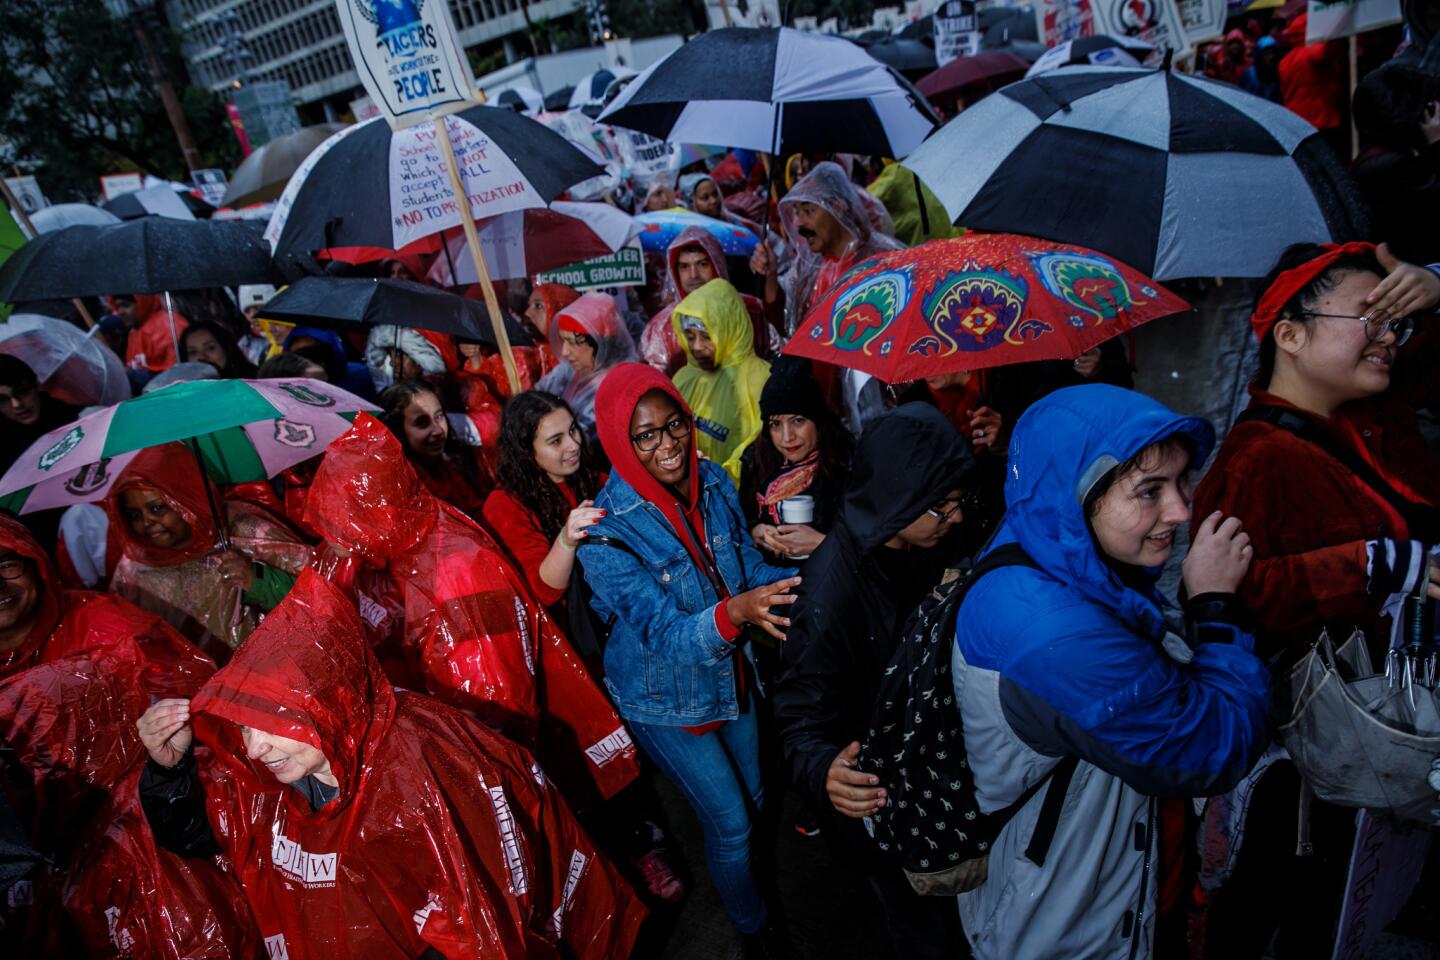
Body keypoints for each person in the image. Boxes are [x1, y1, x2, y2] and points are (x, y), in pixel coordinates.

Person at [135, 567, 647, 960]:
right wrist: (168, 771)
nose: (254, 748)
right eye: (245, 727)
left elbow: (481, 919)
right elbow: (201, 839)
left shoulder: (418, 764)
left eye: (273, 724)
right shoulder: (271, 778)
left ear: (326, 701)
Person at [951, 384, 1270, 960]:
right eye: (1149, 491)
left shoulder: (1040, 542)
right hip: (1071, 928)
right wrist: (1216, 607)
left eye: (1180, 482)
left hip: (1066, 886)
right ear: (1075, 498)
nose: (1180, 510)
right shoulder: (1059, 636)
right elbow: (1210, 747)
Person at [1190, 242, 1440, 957]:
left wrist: (1435, 288)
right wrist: (1374, 565)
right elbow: (1228, 597)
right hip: (1302, 776)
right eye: (1372, 315)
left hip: (1373, 742)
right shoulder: (1255, 460)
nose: (1390, 334)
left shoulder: (1371, 424)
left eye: (1399, 319)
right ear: (1290, 335)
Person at [305, 412, 641, 806]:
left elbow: (494, 705)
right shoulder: (385, 556)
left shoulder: (457, 568)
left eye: (340, 527)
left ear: (372, 515)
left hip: (483, 753)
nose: (333, 541)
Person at [578, 364, 801, 957]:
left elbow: (743, 572)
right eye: (644, 436)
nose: (668, 445)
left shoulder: (712, 481)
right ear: (621, 444)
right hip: (666, 698)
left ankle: (754, 896)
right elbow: (669, 634)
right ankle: (756, 933)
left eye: (674, 425)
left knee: (754, 803)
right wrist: (740, 613)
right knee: (730, 824)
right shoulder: (605, 534)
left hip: (732, 676)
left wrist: (809, 575)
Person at [773, 403, 978, 959]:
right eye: (943, 506)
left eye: (959, 501)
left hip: (933, 778)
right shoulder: (828, 596)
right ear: (901, 500)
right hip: (885, 807)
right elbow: (797, 717)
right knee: (922, 930)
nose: (956, 517)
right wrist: (823, 773)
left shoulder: (927, 542)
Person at [0, 515, 256, 958]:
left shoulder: (104, 624)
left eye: (7, 564)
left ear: (35, 564)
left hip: (137, 850)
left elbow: (192, 706)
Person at [103, 443, 312, 659]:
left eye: (157, 508)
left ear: (185, 497)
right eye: (134, 515)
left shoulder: (247, 532)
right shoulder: (134, 566)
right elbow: (121, 638)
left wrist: (257, 580)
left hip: (270, 674)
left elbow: (319, 601)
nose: (147, 522)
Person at [483, 391, 606, 614]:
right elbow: (544, 592)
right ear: (526, 451)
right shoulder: (504, 505)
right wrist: (567, 540)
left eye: (572, 430)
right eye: (556, 441)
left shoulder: (590, 478)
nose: (573, 444)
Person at [740, 357, 852, 566]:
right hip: (769, 581)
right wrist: (755, 531)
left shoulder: (845, 464)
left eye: (797, 421)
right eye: (775, 424)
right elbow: (741, 519)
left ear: (817, 421)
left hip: (827, 583)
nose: (787, 437)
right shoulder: (756, 460)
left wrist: (821, 543)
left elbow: (865, 545)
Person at [640, 226, 777, 375]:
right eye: (684, 267)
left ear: (717, 264)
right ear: (675, 272)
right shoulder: (661, 328)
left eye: (702, 264)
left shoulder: (751, 309)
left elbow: (776, 355)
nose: (693, 275)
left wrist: (771, 277)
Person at [671, 279, 772, 482]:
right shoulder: (684, 378)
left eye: (707, 336)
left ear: (729, 328)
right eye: (690, 337)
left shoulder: (760, 379)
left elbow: (761, 448)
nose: (697, 346)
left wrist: (720, 482)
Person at [536, 292, 638, 451]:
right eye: (563, 340)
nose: (564, 352)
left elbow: (588, 437)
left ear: (600, 344)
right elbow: (539, 394)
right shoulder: (571, 370)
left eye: (572, 343)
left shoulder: (621, 382)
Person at [378, 379, 488, 518]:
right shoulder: (401, 490)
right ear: (398, 431)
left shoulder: (445, 467)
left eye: (439, 416)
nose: (438, 430)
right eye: (422, 423)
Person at [0, 354, 79, 476]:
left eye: (21, 392)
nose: (17, 404)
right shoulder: (4, 452)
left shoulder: (84, 419)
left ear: (36, 386)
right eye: (2, 400)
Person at [284, 325, 374, 400]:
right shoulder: (286, 388)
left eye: (314, 352)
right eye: (299, 356)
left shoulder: (359, 376)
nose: (308, 363)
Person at [115, 293, 189, 375]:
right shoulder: (135, 330)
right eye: (117, 307)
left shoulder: (169, 325)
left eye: (126, 305)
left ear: (143, 304)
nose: (120, 312)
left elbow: (175, 372)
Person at [679, 172, 763, 237]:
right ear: (691, 204)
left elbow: (768, 238)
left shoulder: (733, 221)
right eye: (705, 198)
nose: (713, 201)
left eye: (715, 194)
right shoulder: (692, 235)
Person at [179, 319, 258, 379]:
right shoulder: (182, 392)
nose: (202, 357)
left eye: (210, 348)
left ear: (226, 348)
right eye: (193, 352)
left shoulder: (255, 381)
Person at [1239, 35, 1283, 102]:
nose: (1271, 57)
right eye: (1267, 54)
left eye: (1273, 53)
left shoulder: (1277, 76)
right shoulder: (1250, 75)